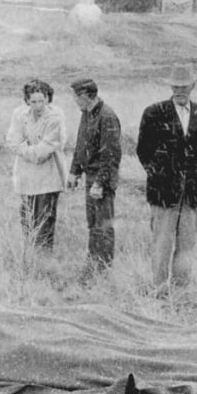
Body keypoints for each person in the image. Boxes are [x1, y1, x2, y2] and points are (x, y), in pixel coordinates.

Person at [135, 63, 197, 290]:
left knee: (187, 244)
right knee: (162, 243)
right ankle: (159, 288)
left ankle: (181, 290)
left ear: (192, 86)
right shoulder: (153, 112)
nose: (180, 90)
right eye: (176, 85)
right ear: (170, 85)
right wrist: (159, 175)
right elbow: (143, 151)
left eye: (184, 86)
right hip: (163, 191)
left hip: (191, 191)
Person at [68, 78, 122, 276]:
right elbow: (81, 144)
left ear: (84, 96)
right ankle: (92, 266)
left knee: (103, 225)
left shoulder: (107, 116)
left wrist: (100, 182)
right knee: (93, 224)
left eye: (75, 96)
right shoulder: (86, 114)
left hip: (102, 181)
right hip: (90, 178)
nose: (74, 100)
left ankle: (104, 269)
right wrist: (74, 171)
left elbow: (111, 155)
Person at [5, 79, 67, 251]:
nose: (38, 105)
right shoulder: (19, 114)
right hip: (26, 174)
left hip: (49, 173)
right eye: (34, 101)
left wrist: (28, 150)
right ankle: (30, 252)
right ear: (27, 101)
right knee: (27, 217)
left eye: (42, 100)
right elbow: (13, 141)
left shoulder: (56, 115)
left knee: (45, 217)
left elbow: (49, 146)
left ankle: (44, 256)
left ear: (48, 99)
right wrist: (31, 151)